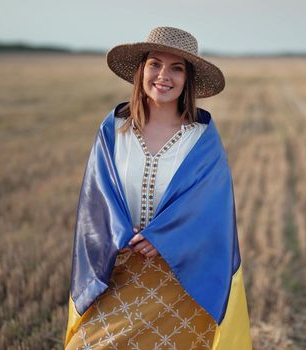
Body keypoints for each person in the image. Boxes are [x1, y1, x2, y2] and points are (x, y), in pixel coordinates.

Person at [63, 26, 252, 349]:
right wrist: (120, 233)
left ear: (188, 79)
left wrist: (164, 237)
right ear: (141, 71)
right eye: (155, 64)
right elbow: (96, 201)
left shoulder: (201, 139)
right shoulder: (113, 131)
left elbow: (212, 212)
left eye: (176, 68)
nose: (164, 75)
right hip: (117, 271)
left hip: (182, 279)